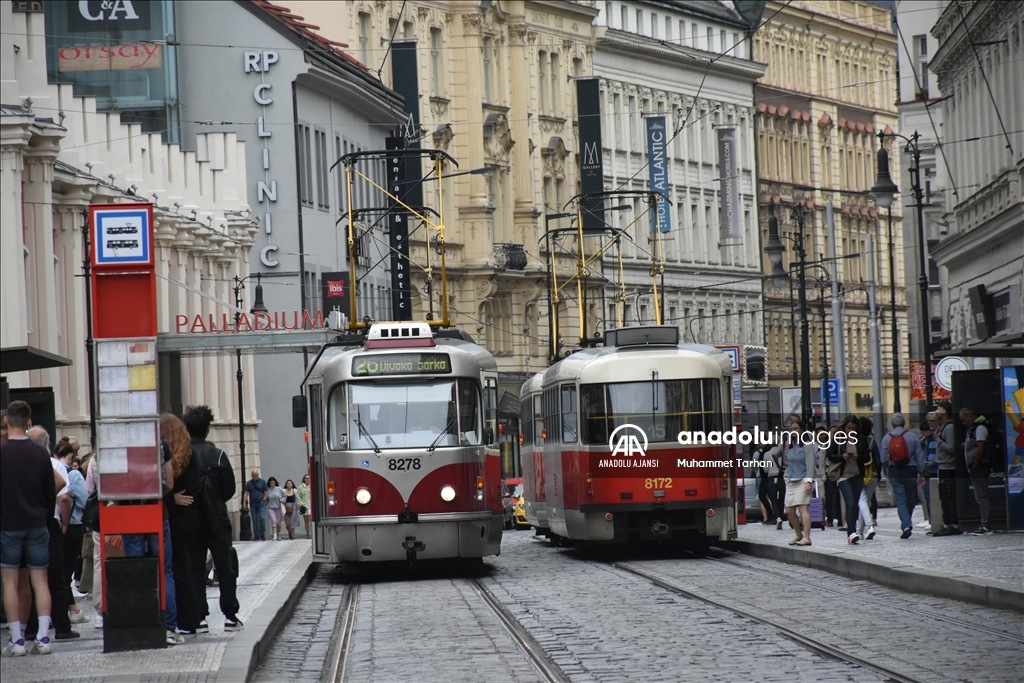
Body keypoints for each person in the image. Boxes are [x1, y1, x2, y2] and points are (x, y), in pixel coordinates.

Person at [1, 401, 60, 656]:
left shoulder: (2, 453)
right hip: (37, 523)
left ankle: (17, 640)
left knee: (10, 582)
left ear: (6, 421)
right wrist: (45, 521)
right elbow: (51, 492)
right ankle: (44, 637)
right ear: (28, 422)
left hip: (9, 525)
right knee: (41, 580)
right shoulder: (40, 454)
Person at [182, 405, 242, 631]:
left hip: (192, 518)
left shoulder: (182, 455)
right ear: (208, 428)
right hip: (217, 519)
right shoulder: (218, 455)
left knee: (194, 567)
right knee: (225, 566)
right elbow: (229, 489)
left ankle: (199, 617)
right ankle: (230, 614)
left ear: (187, 428)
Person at [26, 426, 78, 642]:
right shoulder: (55, 465)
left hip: (26, 524)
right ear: (47, 443)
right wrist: (65, 523)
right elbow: (64, 498)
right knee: (56, 578)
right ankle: (62, 626)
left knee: (29, 579)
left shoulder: (21, 463)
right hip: (51, 524)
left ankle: (30, 628)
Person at [163, 414, 202, 637]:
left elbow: (169, 490)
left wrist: (171, 500)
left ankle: (183, 619)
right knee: (184, 569)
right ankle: (190, 618)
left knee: (176, 570)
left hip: (176, 518)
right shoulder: (189, 453)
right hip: (190, 518)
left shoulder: (170, 457)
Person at [53, 438, 88, 625]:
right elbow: (83, 500)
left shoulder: (51, 469)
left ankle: (72, 608)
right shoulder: (73, 475)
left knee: (57, 569)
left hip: (54, 524)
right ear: (71, 456)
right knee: (66, 571)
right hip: (73, 524)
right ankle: (70, 611)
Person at [880, 413, 923, 539]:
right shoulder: (912, 436)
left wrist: (890, 464)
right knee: (911, 499)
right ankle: (907, 522)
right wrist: (922, 471)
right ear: (904, 423)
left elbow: (883, 459)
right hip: (911, 470)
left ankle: (906, 525)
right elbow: (919, 456)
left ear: (892, 424)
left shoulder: (886, 438)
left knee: (900, 499)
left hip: (895, 471)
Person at [830, 415, 868, 544]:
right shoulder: (839, 439)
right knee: (850, 503)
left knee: (855, 505)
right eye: (848, 428)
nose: (851, 430)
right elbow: (830, 455)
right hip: (843, 476)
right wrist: (843, 457)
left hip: (857, 475)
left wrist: (858, 456)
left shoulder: (861, 440)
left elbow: (867, 457)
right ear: (844, 427)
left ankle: (853, 530)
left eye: (853, 428)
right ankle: (851, 532)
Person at [782, 418, 815, 547]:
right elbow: (788, 462)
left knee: (803, 508)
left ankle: (807, 537)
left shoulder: (807, 445)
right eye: (791, 429)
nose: (793, 431)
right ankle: (798, 534)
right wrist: (785, 474)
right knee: (789, 510)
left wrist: (809, 481)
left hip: (803, 479)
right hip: (791, 479)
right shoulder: (790, 445)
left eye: (796, 429)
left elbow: (810, 464)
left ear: (802, 430)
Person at [960, 407, 992, 535]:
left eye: (963, 420)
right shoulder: (974, 429)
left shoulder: (979, 428)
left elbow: (980, 448)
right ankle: (984, 523)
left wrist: (975, 464)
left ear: (970, 416)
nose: (963, 423)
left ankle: (986, 524)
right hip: (976, 466)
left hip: (979, 467)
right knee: (980, 496)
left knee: (982, 496)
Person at [932, 401, 961, 536]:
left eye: (939, 408)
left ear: (945, 411)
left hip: (949, 467)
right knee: (944, 497)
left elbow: (951, 448)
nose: (936, 411)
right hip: (942, 466)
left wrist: (938, 440)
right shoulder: (942, 426)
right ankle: (947, 523)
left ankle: (953, 524)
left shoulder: (949, 427)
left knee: (949, 496)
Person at [916, 415, 939, 530]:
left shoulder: (934, 439)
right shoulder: (923, 441)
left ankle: (933, 519)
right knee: (927, 497)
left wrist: (933, 463)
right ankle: (930, 519)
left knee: (933, 498)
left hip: (935, 470)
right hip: (927, 472)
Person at [243, 470, 268, 541]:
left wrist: (264, 499)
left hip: (261, 503)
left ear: (258, 475)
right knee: (254, 520)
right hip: (253, 503)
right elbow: (246, 493)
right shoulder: (249, 483)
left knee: (262, 518)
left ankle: (262, 534)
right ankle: (256, 535)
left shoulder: (262, 482)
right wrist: (244, 502)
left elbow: (266, 491)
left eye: (255, 475)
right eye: (253, 476)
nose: (254, 477)